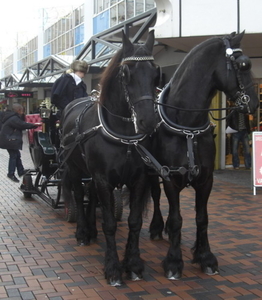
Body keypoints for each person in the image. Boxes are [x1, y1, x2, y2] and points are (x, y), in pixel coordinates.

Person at [0, 103, 39, 182]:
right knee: (14, 156)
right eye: (22, 111)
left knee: (17, 155)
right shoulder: (14, 118)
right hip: (10, 140)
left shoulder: (11, 116)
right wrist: (34, 125)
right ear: (19, 110)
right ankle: (11, 173)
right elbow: (22, 125)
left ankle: (21, 171)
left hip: (8, 139)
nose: (23, 113)